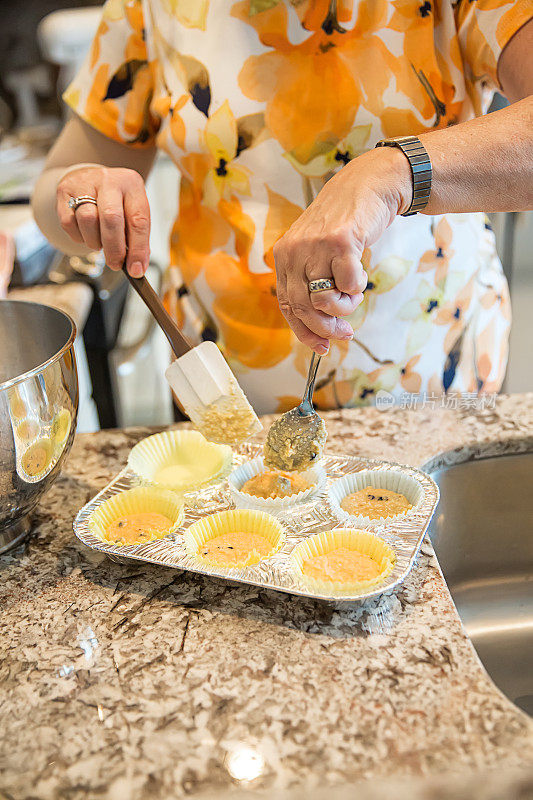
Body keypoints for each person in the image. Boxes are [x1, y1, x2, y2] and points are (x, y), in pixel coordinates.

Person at [33, 0, 533, 414]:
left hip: (429, 379)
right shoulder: (151, 10)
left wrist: (394, 174)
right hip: (220, 390)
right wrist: (83, 191)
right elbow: (53, 191)